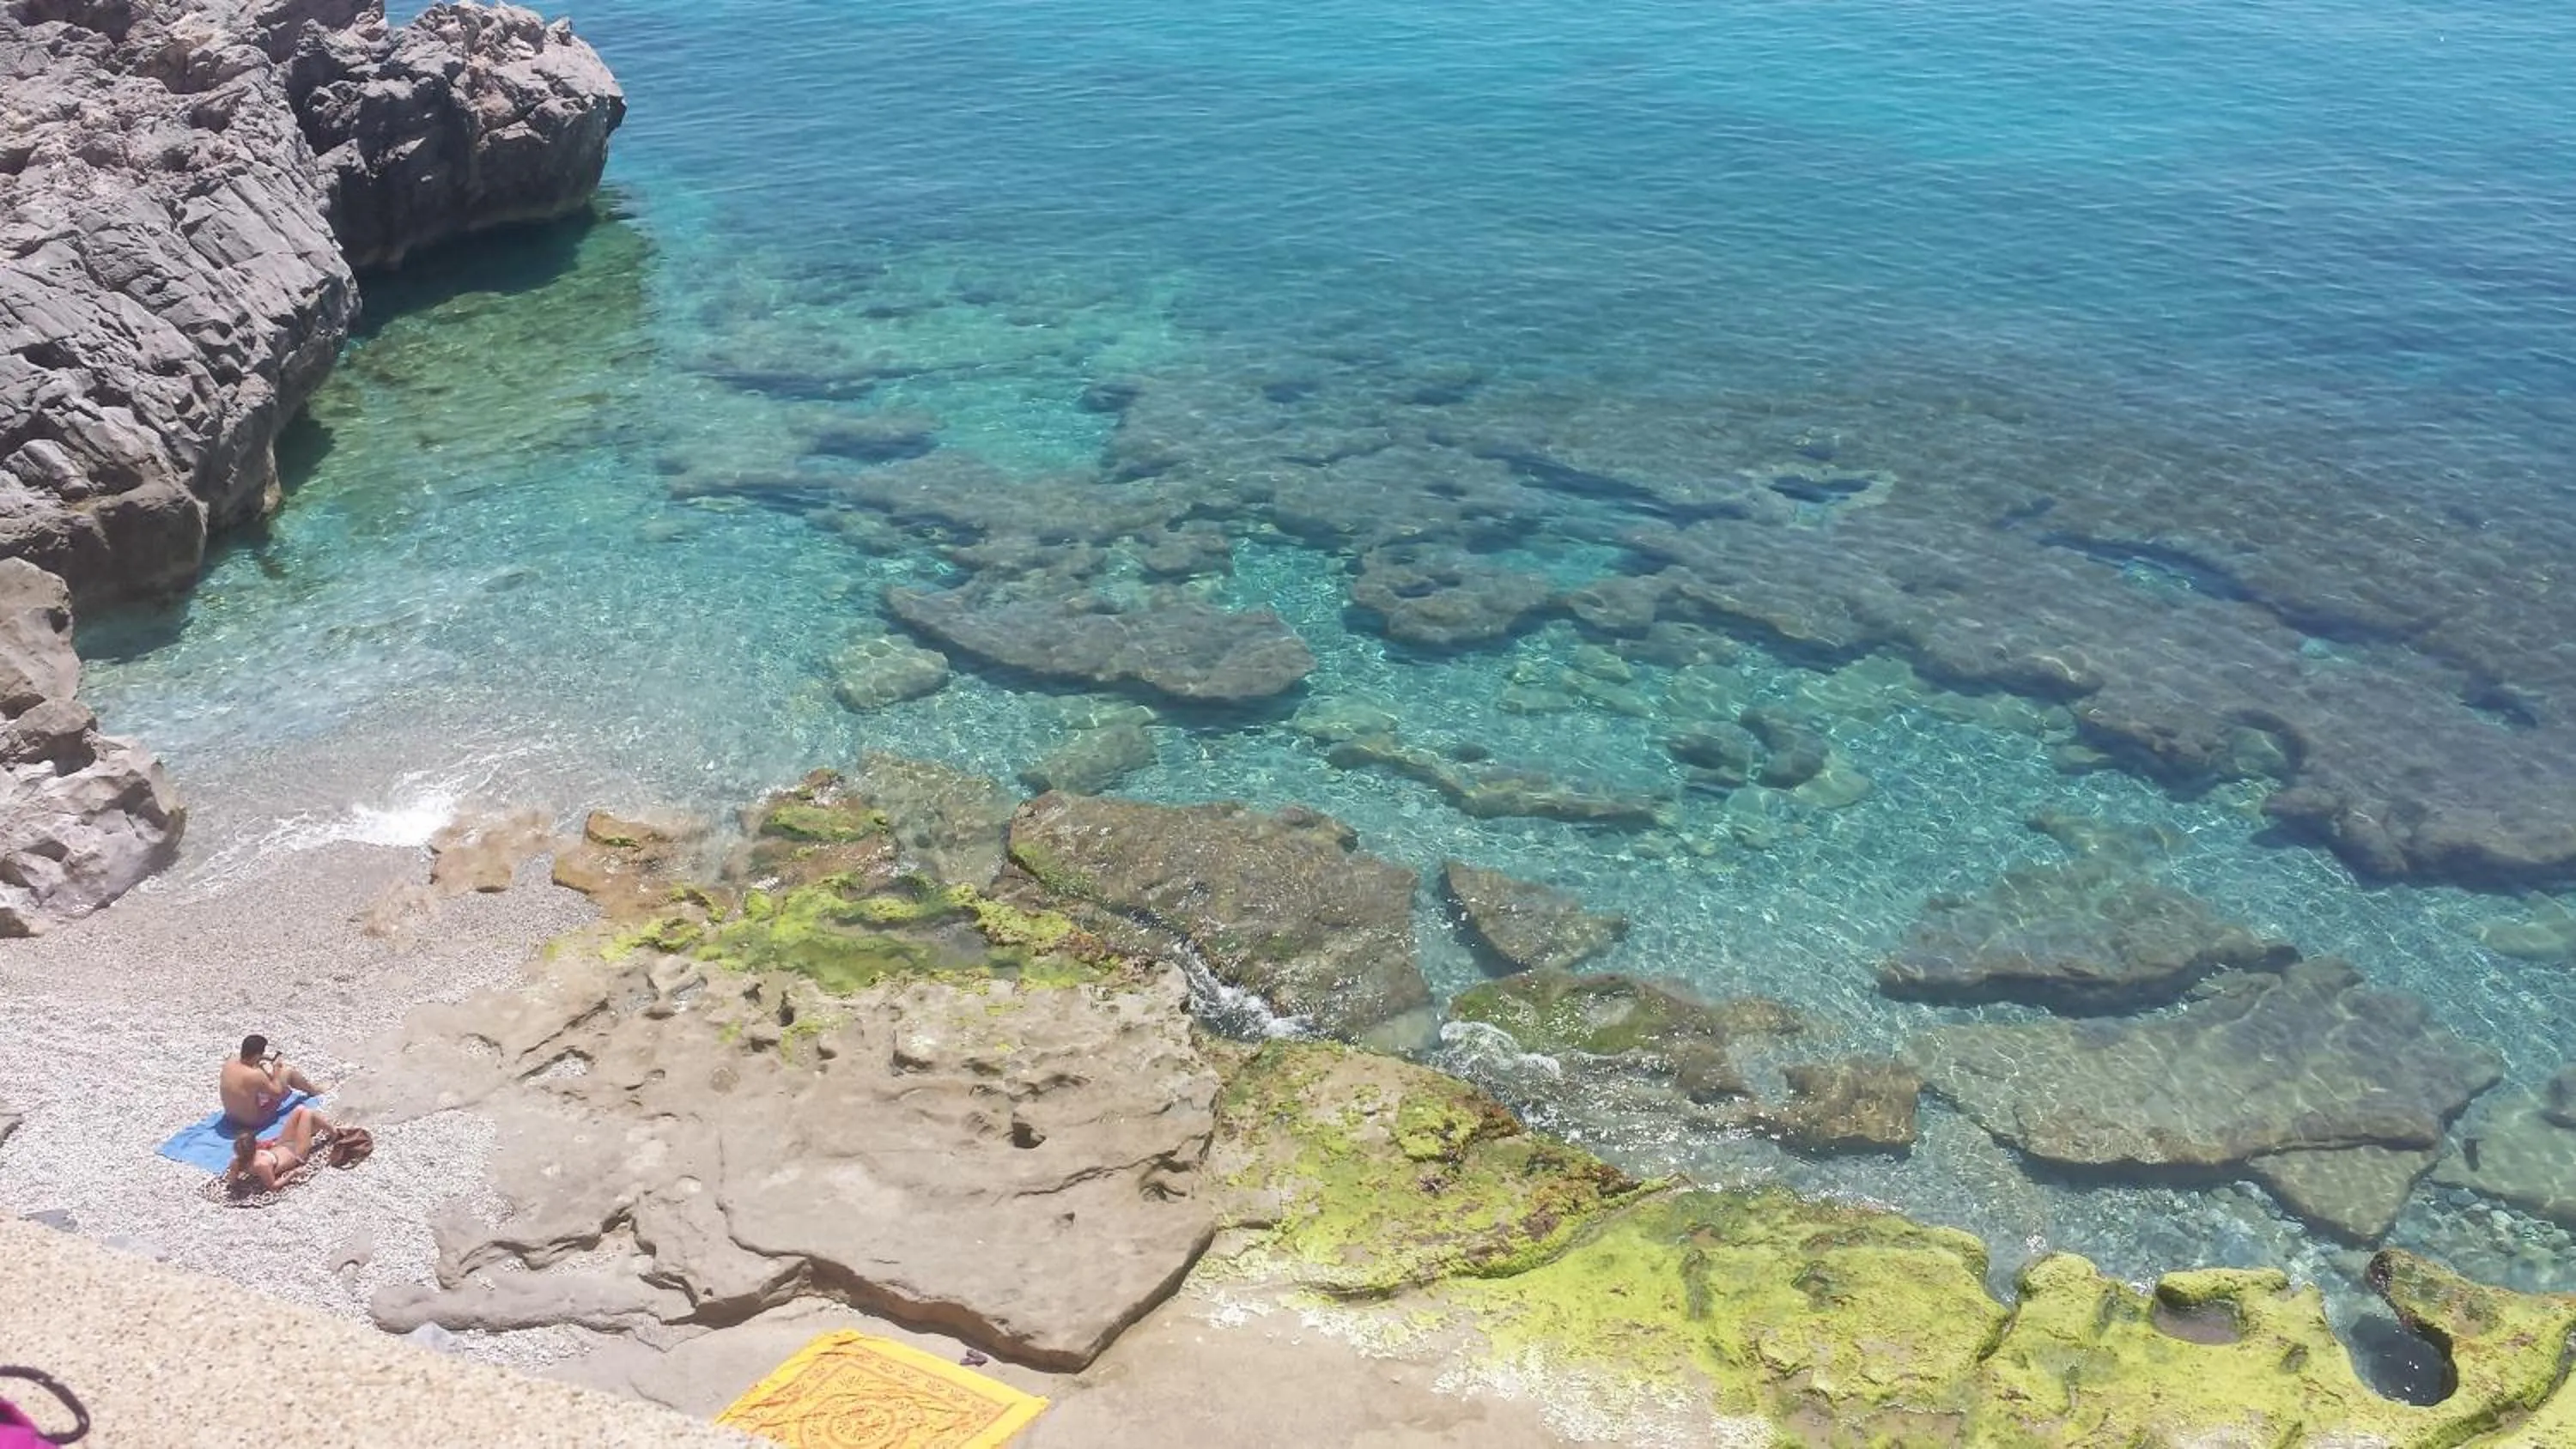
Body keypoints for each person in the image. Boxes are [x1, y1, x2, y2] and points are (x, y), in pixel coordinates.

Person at [217, 1034, 325, 1134]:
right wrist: (276, 1068)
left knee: (262, 1076)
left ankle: (312, 1089)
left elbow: (251, 1062)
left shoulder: (230, 1062)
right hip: (252, 1122)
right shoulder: (255, 1075)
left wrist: (266, 1058)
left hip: (231, 1117)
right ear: (257, 1054)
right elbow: (278, 1094)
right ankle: (314, 1091)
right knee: (288, 1072)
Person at [224, 1105, 332, 1196]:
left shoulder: (236, 1161)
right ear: (254, 1146)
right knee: (307, 1113)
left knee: (300, 1109)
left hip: (281, 1145)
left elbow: (232, 1182)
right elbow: (273, 1186)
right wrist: (293, 1174)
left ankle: (323, 1129)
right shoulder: (261, 1164)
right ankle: (335, 1133)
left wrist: (236, 1178)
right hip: (297, 1153)